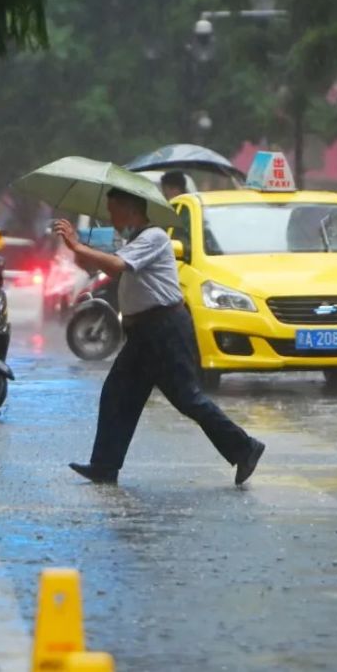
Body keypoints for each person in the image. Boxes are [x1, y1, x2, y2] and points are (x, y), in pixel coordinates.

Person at [52, 187, 264, 485]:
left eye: (114, 210)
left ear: (131, 210)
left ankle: (245, 447)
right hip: (142, 332)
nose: (110, 216)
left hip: (164, 329)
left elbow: (116, 265)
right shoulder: (134, 241)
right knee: (117, 394)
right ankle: (104, 465)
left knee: (187, 398)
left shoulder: (154, 237)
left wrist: (78, 246)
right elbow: (105, 268)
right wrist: (76, 251)